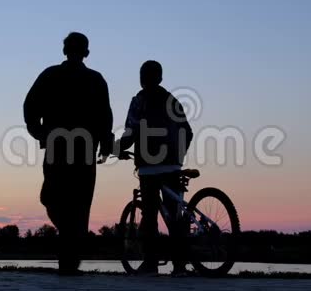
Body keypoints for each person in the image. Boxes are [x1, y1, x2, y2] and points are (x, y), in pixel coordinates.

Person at [23, 32, 114, 275]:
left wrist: (39, 132)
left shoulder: (90, 79)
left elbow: (104, 114)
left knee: (68, 201)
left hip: (74, 147)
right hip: (66, 145)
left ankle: (69, 258)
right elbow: (31, 105)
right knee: (68, 201)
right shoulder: (58, 76)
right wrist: (40, 133)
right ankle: (72, 241)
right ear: (86, 52)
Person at [114, 60, 193, 276]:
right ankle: (179, 266)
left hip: (148, 167)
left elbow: (130, 131)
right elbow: (187, 130)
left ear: (142, 78)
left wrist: (117, 149)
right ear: (160, 78)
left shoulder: (139, 101)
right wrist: (178, 156)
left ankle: (150, 264)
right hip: (172, 165)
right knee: (175, 216)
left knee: (149, 216)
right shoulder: (172, 100)